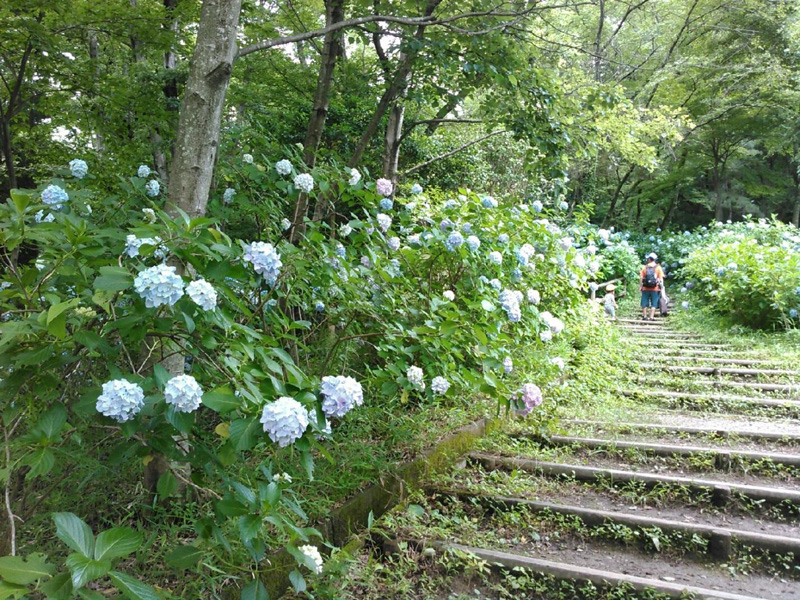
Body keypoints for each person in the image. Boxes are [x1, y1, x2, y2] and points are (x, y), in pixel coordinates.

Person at [640, 253, 664, 321]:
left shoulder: (644, 267)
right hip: (655, 288)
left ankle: (644, 316)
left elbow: (641, 278)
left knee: (644, 302)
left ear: (649, 259)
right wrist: (661, 287)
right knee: (654, 302)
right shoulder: (658, 268)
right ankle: (651, 317)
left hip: (645, 287)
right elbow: (661, 278)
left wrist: (640, 286)